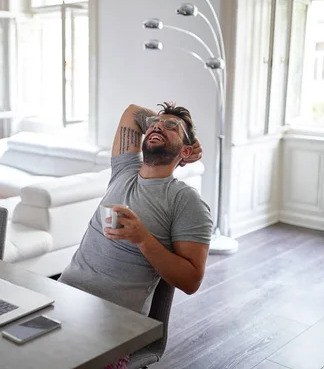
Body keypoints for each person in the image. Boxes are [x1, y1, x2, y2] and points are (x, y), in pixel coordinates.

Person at [58, 101, 213, 319]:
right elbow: (132, 112)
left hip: (112, 320)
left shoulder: (185, 200)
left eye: (170, 126)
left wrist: (142, 238)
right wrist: (180, 133)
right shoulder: (124, 170)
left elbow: (191, 281)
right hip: (64, 297)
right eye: (153, 124)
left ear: (185, 151)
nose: (157, 126)